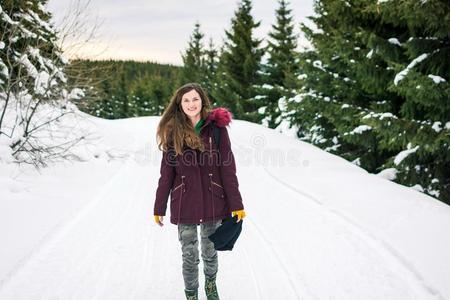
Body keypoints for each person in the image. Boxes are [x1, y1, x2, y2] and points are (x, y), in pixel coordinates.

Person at [153, 82, 246, 300]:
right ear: (180, 104)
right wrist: (159, 207)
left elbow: (227, 168)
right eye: (186, 100)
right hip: (184, 200)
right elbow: (166, 173)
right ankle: (191, 294)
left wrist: (236, 204)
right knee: (189, 254)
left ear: (202, 100)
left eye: (195, 99)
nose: (191, 104)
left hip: (213, 198)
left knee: (209, 250)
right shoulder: (172, 132)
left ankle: (211, 285)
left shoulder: (216, 129)